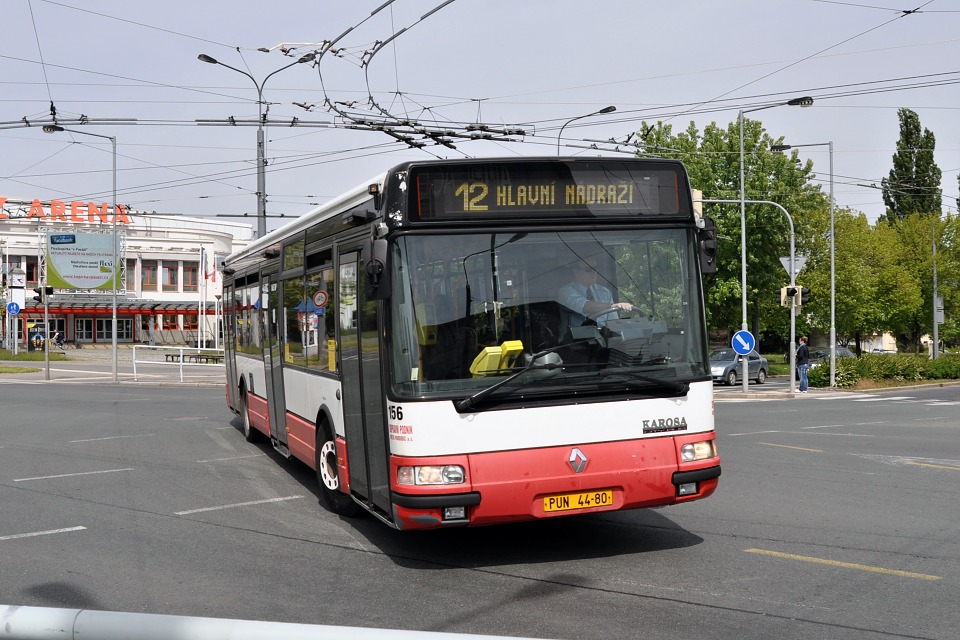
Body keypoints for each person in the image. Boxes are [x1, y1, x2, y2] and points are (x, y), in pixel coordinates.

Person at [558, 257, 633, 327]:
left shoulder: (604, 292)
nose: (594, 272)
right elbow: (584, 306)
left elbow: (614, 323)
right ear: (576, 272)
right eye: (588, 269)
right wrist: (611, 306)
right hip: (575, 339)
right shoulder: (565, 292)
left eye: (595, 268)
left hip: (604, 338)